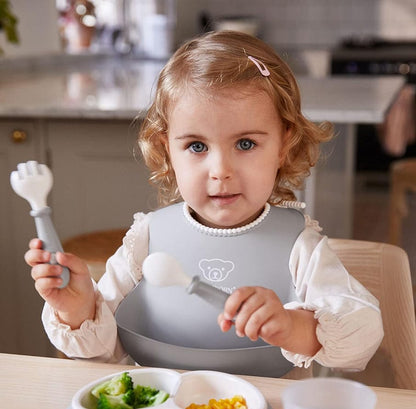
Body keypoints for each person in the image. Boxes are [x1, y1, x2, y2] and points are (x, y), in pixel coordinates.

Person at [24, 31, 383, 376]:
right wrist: (78, 310)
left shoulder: (299, 246)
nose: (220, 171)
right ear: (168, 149)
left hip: (269, 408)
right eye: (196, 146)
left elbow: (361, 339)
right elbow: (105, 352)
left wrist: (292, 326)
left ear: (283, 146)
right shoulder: (147, 238)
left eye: (245, 144)